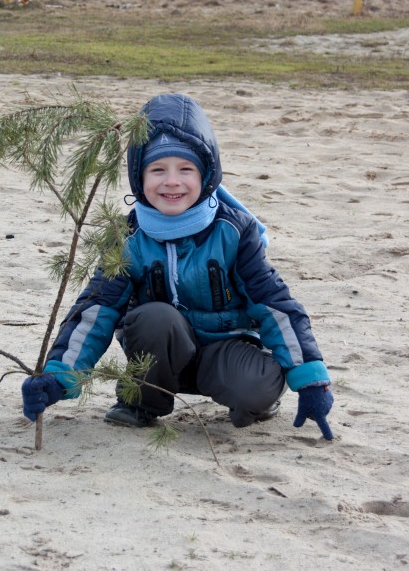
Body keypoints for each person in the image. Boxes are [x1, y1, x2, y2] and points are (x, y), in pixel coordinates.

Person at [21, 93, 334, 440]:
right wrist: (58, 376)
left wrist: (311, 380)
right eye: (158, 170)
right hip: (158, 356)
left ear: (207, 175)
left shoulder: (234, 231)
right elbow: (97, 309)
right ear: (139, 178)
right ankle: (142, 401)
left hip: (226, 349)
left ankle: (257, 401)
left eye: (186, 169)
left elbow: (274, 304)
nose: (172, 181)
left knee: (256, 387)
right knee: (156, 317)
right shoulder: (127, 235)